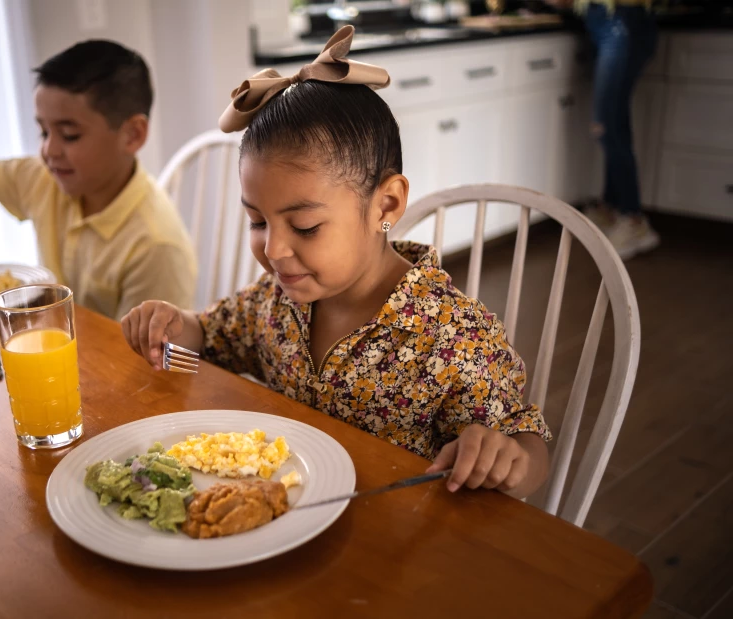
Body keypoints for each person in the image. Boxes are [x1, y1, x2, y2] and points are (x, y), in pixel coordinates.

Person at [122, 27, 551, 498]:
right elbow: (210, 332)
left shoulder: (453, 338)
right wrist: (170, 323)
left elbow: (524, 444)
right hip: (286, 520)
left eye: (304, 227)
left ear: (385, 205)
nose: (274, 250)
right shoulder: (276, 300)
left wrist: (509, 456)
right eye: (257, 221)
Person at [0, 40, 196, 319]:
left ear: (132, 135)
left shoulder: (156, 246)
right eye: (44, 132)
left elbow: (147, 364)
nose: (49, 150)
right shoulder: (44, 179)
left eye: (69, 135)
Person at [550, 0, 659, 260]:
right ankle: (611, 207)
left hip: (622, 22)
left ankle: (633, 220)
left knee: (607, 125)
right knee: (614, 122)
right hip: (606, 22)